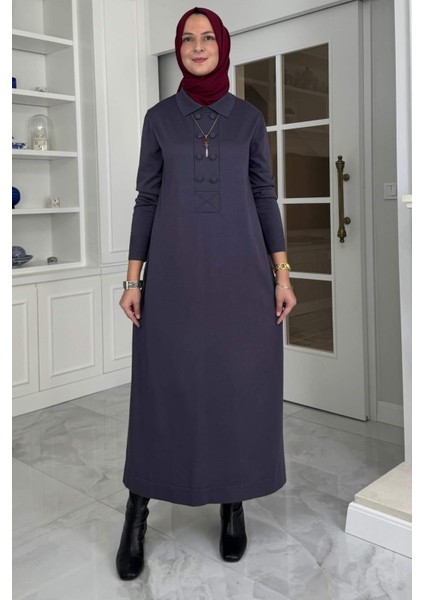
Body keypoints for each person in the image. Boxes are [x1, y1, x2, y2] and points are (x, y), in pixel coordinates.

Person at [116, 6, 297, 580]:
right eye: (188, 39)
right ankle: (138, 510)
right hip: (172, 279)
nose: (198, 46)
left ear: (222, 46)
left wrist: (282, 273)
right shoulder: (158, 119)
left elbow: (264, 196)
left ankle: (232, 502)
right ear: (179, 49)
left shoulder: (249, 119)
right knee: (162, 388)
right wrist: (133, 280)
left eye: (207, 38)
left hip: (241, 279)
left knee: (235, 389)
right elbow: (147, 198)